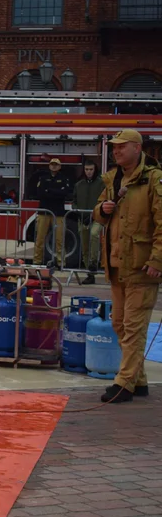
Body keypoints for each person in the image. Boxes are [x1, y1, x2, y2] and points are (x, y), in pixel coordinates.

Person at [93, 129, 162, 403]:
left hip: (141, 266)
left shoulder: (154, 179)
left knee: (134, 326)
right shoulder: (112, 179)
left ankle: (123, 384)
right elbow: (98, 210)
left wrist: (158, 259)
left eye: (121, 147)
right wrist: (103, 209)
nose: (116, 151)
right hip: (116, 265)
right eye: (114, 148)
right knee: (120, 324)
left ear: (137, 148)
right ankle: (139, 379)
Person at [34, 157, 72, 268]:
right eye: (52, 164)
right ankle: (37, 262)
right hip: (44, 213)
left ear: (60, 167)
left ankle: (61, 263)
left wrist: (49, 190)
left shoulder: (64, 179)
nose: (54, 166)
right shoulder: (43, 178)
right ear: (49, 166)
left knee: (60, 240)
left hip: (58, 213)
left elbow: (65, 193)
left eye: (56, 164)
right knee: (40, 239)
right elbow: (40, 193)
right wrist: (56, 192)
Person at [73, 160, 105, 284]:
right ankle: (90, 274)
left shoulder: (101, 184)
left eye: (91, 169)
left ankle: (93, 262)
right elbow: (74, 200)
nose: (89, 172)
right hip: (82, 218)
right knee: (85, 247)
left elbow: (104, 199)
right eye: (86, 169)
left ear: (95, 170)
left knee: (94, 234)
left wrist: (95, 213)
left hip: (96, 218)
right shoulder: (79, 185)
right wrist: (77, 210)